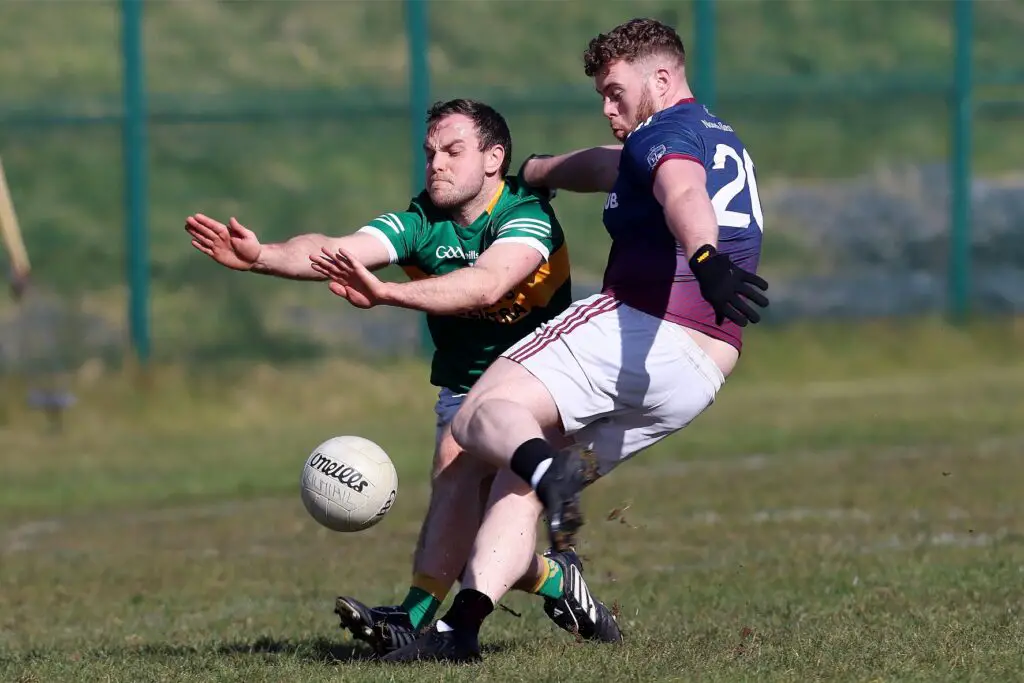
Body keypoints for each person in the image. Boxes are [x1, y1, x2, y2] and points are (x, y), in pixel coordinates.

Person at [377, 18, 770, 663]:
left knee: (477, 418)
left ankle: (544, 468)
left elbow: (680, 191)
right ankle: (460, 630)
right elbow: (611, 167)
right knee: (521, 484)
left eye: (615, 92)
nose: (609, 109)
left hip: (642, 326)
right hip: (698, 375)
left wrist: (703, 254)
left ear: (663, 79)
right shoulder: (712, 135)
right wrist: (538, 169)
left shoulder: (665, 138)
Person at [184, 98, 621, 656]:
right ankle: (557, 581)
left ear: (494, 158)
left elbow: (486, 284)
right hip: (466, 388)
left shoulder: (524, 214)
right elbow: (336, 250)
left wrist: (386, 293)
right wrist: (263, 255)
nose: (436, 163)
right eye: (431, 152)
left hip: (546, 383)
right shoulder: (420, 222)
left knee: (470, 489)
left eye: (453, 151)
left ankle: (417, 619)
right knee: (467, 525)